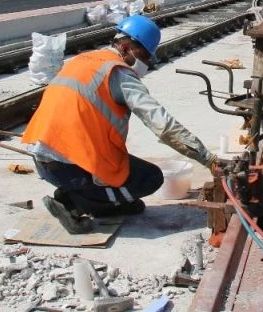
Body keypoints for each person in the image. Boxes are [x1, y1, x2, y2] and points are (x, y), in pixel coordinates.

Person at [21, 15, 219, 234]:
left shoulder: (84, 59)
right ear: (125, 48)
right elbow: (162, 124)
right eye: (143, 56)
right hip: (72, 166)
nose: (145, 64)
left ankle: (97, 200)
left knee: (128, 183)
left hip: (43, 160)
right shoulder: (118, 72)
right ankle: (73, 204)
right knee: (150, 178)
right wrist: (208, 159)